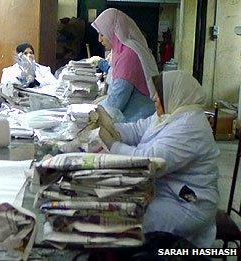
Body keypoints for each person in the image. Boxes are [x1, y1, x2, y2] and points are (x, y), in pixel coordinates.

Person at [98, 70, 219, 247]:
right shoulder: (171, 112)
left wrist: (112, 144)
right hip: (166, 191)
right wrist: (108, 127)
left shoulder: (190, 126)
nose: (154, 98)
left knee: (124, 218)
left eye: (159, 94)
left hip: (188, 204)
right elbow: (137, 129)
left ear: (175, 92)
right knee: (116, 203)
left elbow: (148, 162)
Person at [92, 8, 158, 122]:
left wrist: (90, 110)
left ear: (112, 31)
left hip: (137, 120)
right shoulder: (123, 50)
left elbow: (116, 102)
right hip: (136, 116)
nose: (99, 39)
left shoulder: (128, 55)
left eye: (102, 34)